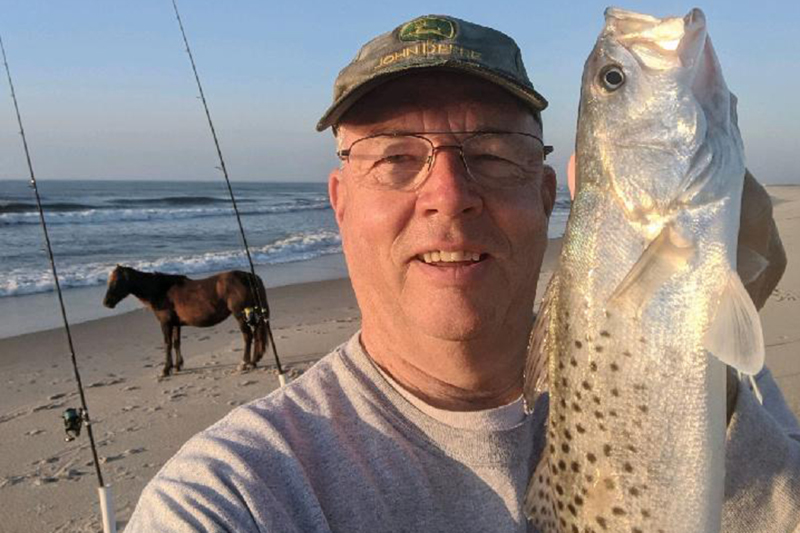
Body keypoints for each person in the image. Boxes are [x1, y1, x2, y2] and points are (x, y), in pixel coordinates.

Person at [126, 15, 800, 532]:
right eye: (395, 158)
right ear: (339, 205)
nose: (448, 193)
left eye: (492, 150)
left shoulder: (711, 359)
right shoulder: (232, 495)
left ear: (546, 194)